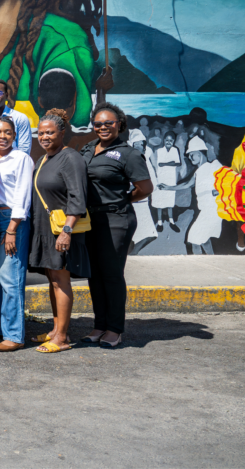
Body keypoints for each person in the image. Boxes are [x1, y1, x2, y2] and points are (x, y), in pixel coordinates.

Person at [80, 103, 152, 349]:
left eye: (108, 123)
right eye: (98, 123)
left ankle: (115, 328)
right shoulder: (88, 149)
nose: (103, 127)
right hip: (91, 221)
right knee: (95, 276)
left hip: (117, 220)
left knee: (111, 275)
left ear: (119, 124)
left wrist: (121, 201)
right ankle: (99, 325)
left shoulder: (128, 154)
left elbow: (145, 188)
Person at [30, 108, 89, 354]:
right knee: (53, 280)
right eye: (41, 133)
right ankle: (55, 330)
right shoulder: (43, 158)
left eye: (50, 133)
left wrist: (67, 231)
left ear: (62, 132)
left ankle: (62, 337)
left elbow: (78, 196)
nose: (44, 137)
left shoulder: (71, 158)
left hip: (61, 229)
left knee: (60, 281)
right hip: (44, 228)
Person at [0, 116, 34, 352]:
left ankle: (15, 335)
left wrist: (12, 230)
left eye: (8, 132)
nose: (3, 136)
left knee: (11, 276)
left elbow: (23, 195)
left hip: (11, 219)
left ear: (15, 135)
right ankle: (5, 326)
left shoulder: (21, 158)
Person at [162, 136, 224, 255]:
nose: (190, 158)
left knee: (193, 239)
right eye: (189, 155)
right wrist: (169, 187)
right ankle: (213, 261)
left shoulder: (214, 166)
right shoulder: (198, 171)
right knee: (204, 240)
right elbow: (186, 184)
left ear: (200, 153)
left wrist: (220, 189)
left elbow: (231, 180)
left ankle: (200, 267)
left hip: (212, 209)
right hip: (205, 209)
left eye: (192, 154)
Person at [150, 131, 181, 232]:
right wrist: (170, 162)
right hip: (161, 178)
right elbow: (159, 164)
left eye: (171, 140)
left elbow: (178, 163)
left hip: (171, 179)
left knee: (169, 201)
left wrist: (166, 163)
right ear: (164, 140)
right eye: (166, 140)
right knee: (159, 201)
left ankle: (171, 221)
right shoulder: (159, 151)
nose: (168, 142)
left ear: (173, 141)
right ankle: (159, 222)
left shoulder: (175, 150)